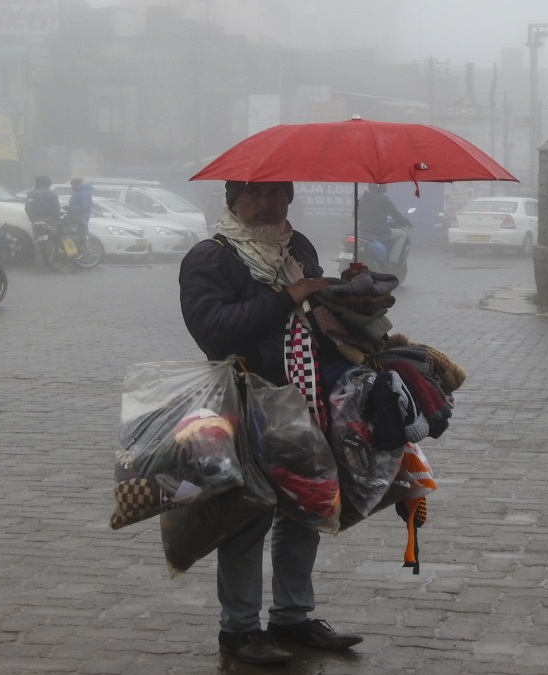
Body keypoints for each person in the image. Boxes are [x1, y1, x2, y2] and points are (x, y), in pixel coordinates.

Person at [178, 180, 361, 666]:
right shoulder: (212, 257)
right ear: (233, 201)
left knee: (305, 509)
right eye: (254, 194)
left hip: (304, 398)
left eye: (276, 193)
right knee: (248, 516)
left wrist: (347, 293)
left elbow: (315, 316)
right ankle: (239, 630)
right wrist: (288, 295)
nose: (266, 203)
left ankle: (292, 616)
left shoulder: (297, 247)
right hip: (245, 400)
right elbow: (213, 331)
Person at [358, 183, 412, 259]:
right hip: (379, 232)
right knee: (402, 235)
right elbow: (395, 215)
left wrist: (366, 220)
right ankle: (393, 262)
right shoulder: (383, 198)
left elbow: (355, 214)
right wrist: (406, 221)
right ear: (381, 187)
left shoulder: (361, 198)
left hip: (362, 231)